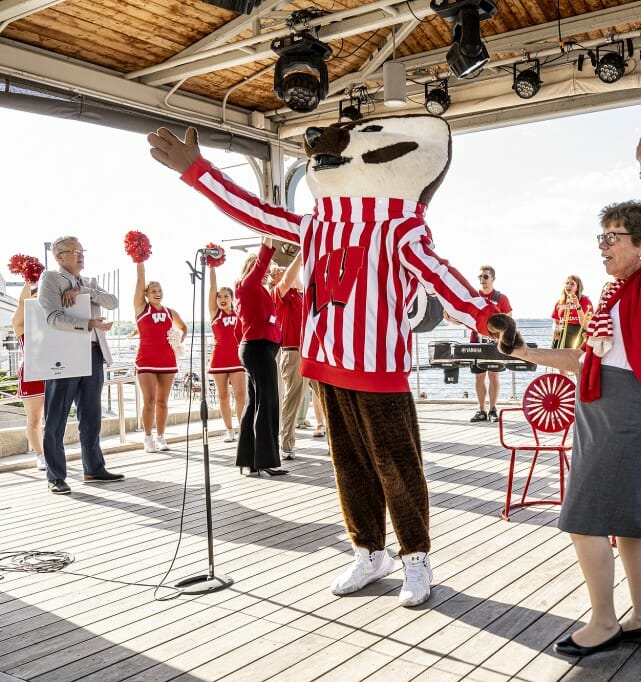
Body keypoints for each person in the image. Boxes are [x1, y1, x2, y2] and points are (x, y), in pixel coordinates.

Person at [148, 119, 518, 609]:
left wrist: (488, 316)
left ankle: (415, 558)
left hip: (380, 366)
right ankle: (369, 550)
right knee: (349, 466)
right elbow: (253, 212)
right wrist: (198, 171)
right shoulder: (313, 224)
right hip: (325, 364)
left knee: (398, 467)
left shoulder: (400, 225)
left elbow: (442, 276)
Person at [508, 112, 641, 657]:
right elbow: (584, 358)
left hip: (626, 406)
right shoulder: (612, 297)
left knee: (583, 517)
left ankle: (605, 623)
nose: (602, 246)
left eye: (612, 238)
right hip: (606, 402)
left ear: (640, 244)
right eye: (600, 237)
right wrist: (525, 351)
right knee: (631, 519)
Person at [37, 236, 124, 494]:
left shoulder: (89, 283)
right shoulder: (51, 279)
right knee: (56, 418)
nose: (80, 255)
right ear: (59, 257)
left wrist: (83, 291)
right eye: (74, 251)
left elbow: (113, 302)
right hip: (64, 357)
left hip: (94, 355)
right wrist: (88, 325)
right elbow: (52, 318)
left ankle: (94, 468)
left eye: (81, 250)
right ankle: (56, 476)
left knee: (92, 415)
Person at [235, 238, 286, 476]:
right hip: (258, 349)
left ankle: (251, 460)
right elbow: (262, 263)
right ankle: (265, 459)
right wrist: (268, 239)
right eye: (263, 269)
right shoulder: (247, 286)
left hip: (259, 350)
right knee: (267, 404)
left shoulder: (256, 291)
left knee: (255, 403)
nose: (267, 272)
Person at [133, 260, 188, 453]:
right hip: (146, 360)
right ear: (146, 295)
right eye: (153, 291)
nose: (157, 293)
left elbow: (183, 327)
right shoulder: (141, 308)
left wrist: (177, 338)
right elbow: (140, 280)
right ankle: (147, 437)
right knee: (149, 399)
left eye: (159, 290)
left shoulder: (169, 311)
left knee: (163, 401)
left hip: (167, 360)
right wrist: (139, 262)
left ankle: (161, 437)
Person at [469, 265, 513, 423]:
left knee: (493, 375)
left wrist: (502, 337)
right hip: (476, 340)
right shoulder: (473, 296)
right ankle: (481, 411)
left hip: (494, 343)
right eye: (480, 277)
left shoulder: (501, 298)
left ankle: (493, 409)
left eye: (485, 277)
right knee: (479, 377)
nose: (482, 280)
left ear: (493, 278)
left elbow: (509, 319)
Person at [207, 265, 246, 443]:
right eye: (219, 297)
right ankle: (229, 430)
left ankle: (243, 429)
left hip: (238, 359)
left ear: (232, 298)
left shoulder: (240, 312)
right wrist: (212, 267)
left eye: (226, 296)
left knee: (240, 395)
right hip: (219, 359)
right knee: (223, 396)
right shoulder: (215, 313)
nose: (222, 299)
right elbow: (212, 288)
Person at [273, 256, 306, 460]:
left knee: (326, 397)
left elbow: (299, 281)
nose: (283, 271)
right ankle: (286, 444)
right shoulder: (278, 294)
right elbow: (289, 279)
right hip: (293, 351)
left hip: (309, 351)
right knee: (292, 399)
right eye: (279, 271)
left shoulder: (299, 294)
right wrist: (302, 250)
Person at [12, 282, 45, 471]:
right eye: (35, 296)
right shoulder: (20, 323)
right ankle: (40, 456)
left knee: (56, 418)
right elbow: (22, 304)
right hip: (31, 374)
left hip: (53, 372)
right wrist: (28, 280)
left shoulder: (49, 319)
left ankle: (54, 453)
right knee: (34, 419)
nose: (37, 300)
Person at [550, 275, 593, 349]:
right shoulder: (559, 302)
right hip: (561, 335)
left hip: (576, 335)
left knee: (572, 359)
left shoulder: (585, 300)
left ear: (578, 287)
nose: (568, 286)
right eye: (567, 283)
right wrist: (555, 330)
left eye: (572, 284)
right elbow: (556, 321)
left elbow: (585, 325)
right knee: (555, 359)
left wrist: (577, 305)